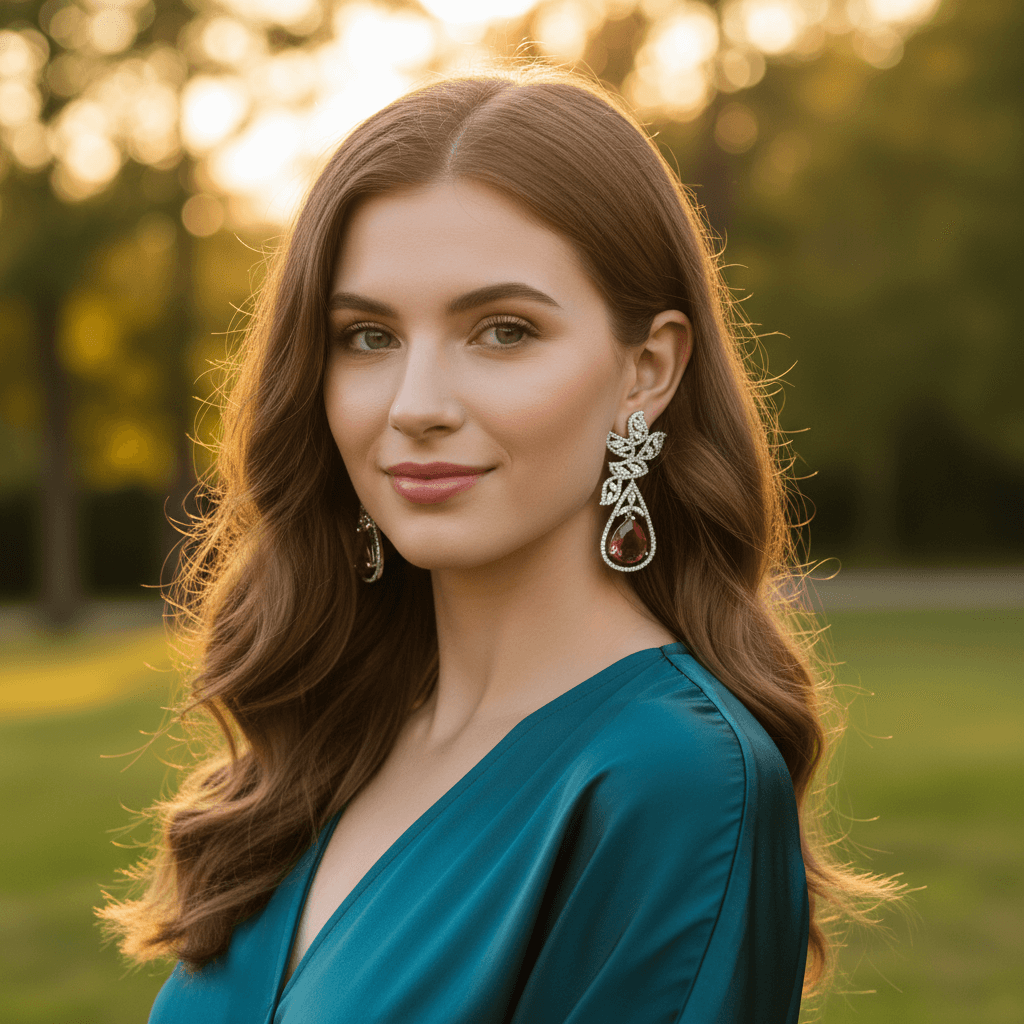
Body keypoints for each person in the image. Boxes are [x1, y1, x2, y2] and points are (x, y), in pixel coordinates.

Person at [100, 66, 900, 1023]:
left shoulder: (674, 781)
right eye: (366, 337)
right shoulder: (331, 735)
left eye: (503, 330)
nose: (417, 406)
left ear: (646, 371)